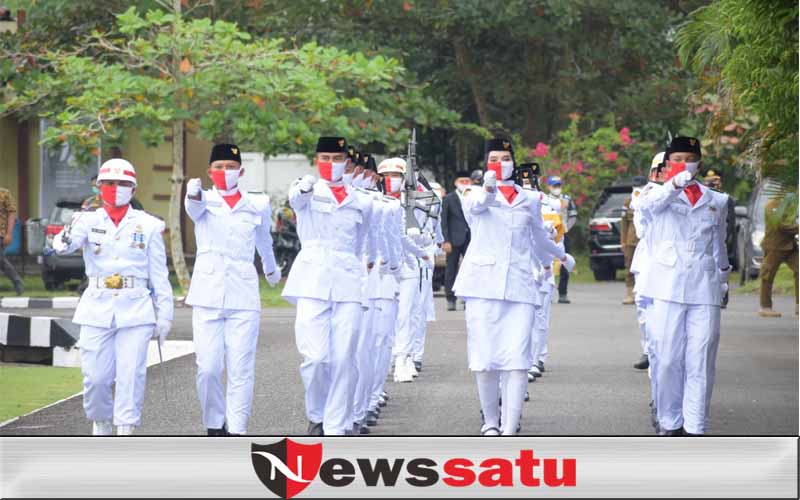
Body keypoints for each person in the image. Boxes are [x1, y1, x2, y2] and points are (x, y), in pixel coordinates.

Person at [453, 137, 574, 436]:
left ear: (514, 162)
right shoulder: (472, 193)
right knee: (485, 359)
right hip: (483, 285)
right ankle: (490, 422)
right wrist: (489, 188)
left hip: (520, 284)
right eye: (494, 159)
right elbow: (478, 209)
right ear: (485, 163)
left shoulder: (529, 199)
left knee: (518, 359)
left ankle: (509, 427)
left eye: (505, 158)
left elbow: (538, 237)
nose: (500, 164)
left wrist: (561, 255)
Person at [52, 158, 173, 435]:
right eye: (108, 183)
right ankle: (101, 422)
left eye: (122, 183)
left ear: (133, 189)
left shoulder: (149, 225)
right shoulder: (87, 220)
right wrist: (69, 230)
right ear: (98, 187)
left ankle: (125, 430)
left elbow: (160, 277)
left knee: (131, 375)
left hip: (136, 308)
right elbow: (61, 247)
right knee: (95, 378)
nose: (115, 188)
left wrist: (165, 316)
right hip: (97, 306)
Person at [184, 143, 281, 436]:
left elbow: (264, 240)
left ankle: (237, 429)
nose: (224, 171)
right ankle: (214, 422)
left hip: (243, 293)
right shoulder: (203, 199)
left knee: (241, 367)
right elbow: (192, 208)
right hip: (208, 293)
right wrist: (192, 192)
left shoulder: (257, 204)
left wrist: (271, 269)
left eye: (230, 167)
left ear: (241, 171)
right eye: (219, 167)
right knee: (208, 367)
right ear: (209, 171)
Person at [638, 136, 731, 436]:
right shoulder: (655, 195)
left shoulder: (717, 200)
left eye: (689, 159)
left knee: (700, 360)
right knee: (667, 360)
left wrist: (723, 278)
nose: (684, 164)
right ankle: (669, 420)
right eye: (677, 159)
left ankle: (694, 426)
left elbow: (719, 244)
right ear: (667, 164)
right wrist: (674, 184)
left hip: (704, 286)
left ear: (699, 165)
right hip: (666, 287)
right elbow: (647, 209)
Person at [282, 136, 373, 436]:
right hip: (313, 281)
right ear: (316, 160)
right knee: (316, 358)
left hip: (348, 281)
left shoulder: (361, 200)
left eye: (336, 159)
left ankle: (336, 426)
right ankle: (317, 414)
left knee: (344, 357)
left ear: (346, 162)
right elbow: (296, 200)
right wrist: (304, 188)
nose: (330, 164)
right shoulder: (306, 190)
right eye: (324, 158)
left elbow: (360, 243)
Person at [629, 153, 664, 373]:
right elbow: (641, 229)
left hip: (671, 258)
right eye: (657, 170)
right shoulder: (644, 195)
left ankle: (664, 350)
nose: (660, 174)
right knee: (643, 305)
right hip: (647, 255)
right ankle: (648, 350)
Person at [758, 194, 798, 317]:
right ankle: (766, 307)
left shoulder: (791, 205)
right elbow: (781, 225)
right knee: (767, 275)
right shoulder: (772, 205)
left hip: (790, 246)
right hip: (774, 246)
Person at [703, 170, 736, 308]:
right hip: (704, 240)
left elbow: (730, 221)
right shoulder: (702, 197)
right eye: (710, 181)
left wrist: (725, 238)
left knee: (722, 265)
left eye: (715, 181)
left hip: (720, 238)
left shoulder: (725, 199)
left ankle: (723, 296)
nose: (713, 184)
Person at [441, 172, 472, 311]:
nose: (464, 183)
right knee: (451, 269)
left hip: (470, 239)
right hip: (453, 240)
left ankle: (467, 298)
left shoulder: (474, 197)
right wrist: (445, 240)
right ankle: (450, 298)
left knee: (470, 269)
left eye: (467, 181)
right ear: (456, 183)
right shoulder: (449, 198)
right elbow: (444, 221)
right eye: (462, 181)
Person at [544, 176, 577, 303]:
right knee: (548, 262)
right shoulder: (543, 199)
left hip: (563, 234)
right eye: (554, 186)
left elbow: (573, 216)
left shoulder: (567, 199)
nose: (557, 188)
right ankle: (548, 291)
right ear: (548, 187)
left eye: (558, 185)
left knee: (564, 261)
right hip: (548, 234)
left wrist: (566, 228)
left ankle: (563, 293)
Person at [620, 176, 648, 305]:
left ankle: (644, 293)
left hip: (647, 240)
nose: (638, 189)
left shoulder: (651, 200)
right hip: (631, 240)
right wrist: (623, 241)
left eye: (640, 186)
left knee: (646, 267)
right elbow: (624, 223)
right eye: (636, 186)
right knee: (630, 267)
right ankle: (630, 293)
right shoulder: (628, 202)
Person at [0, 187, 23, 295]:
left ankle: (16, 280)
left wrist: (9, 233)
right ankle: (16, 280)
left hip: (1, 233)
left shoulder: (4, 194)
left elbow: (12, 213)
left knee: (0, 259)